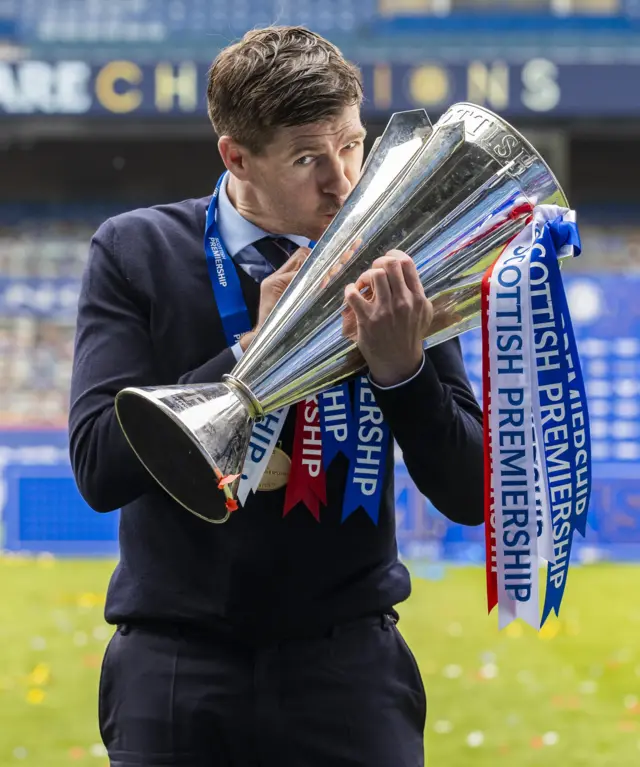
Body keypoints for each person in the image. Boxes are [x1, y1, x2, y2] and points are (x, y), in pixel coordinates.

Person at [69, 25, 484, 767]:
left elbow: (469, 491)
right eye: (307, 158)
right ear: (236, 156)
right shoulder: (137, 251)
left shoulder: (400, 257)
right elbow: (99, 465)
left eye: (353, 145)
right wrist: (246, 357)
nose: (344, 182)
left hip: (349, 668)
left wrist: (405, 372)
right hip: (174, 666)